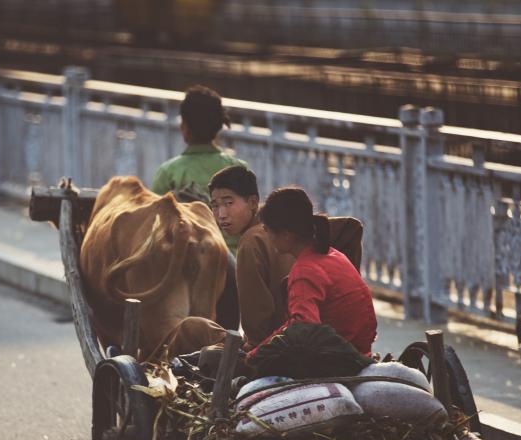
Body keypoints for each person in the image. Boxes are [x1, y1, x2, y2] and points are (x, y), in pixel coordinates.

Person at [253, 186, 377, 357]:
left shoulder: (305, 271)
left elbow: (303, 328)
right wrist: (261, 347)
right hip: (361, 349)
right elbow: (297, 323)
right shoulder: (334, 254)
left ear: (286, 235)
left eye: (267, 230)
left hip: (341, 358)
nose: (267, 236)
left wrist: (255, 356)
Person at [150, 85, 246, 254]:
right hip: (236, 266)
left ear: (184, 128)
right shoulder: (239, 169)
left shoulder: (168, 173)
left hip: (184, 267)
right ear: (218, 127)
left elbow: (154, 229)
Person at [208, 165, 294, 350]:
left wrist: (251, 350)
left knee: (193, 330)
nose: (221, 215)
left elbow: (258, 318)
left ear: (253, 203)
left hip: (272, 347)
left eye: (229, 203)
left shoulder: (250, 241)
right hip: (293, 336)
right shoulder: (279, 230)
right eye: (215, 206)